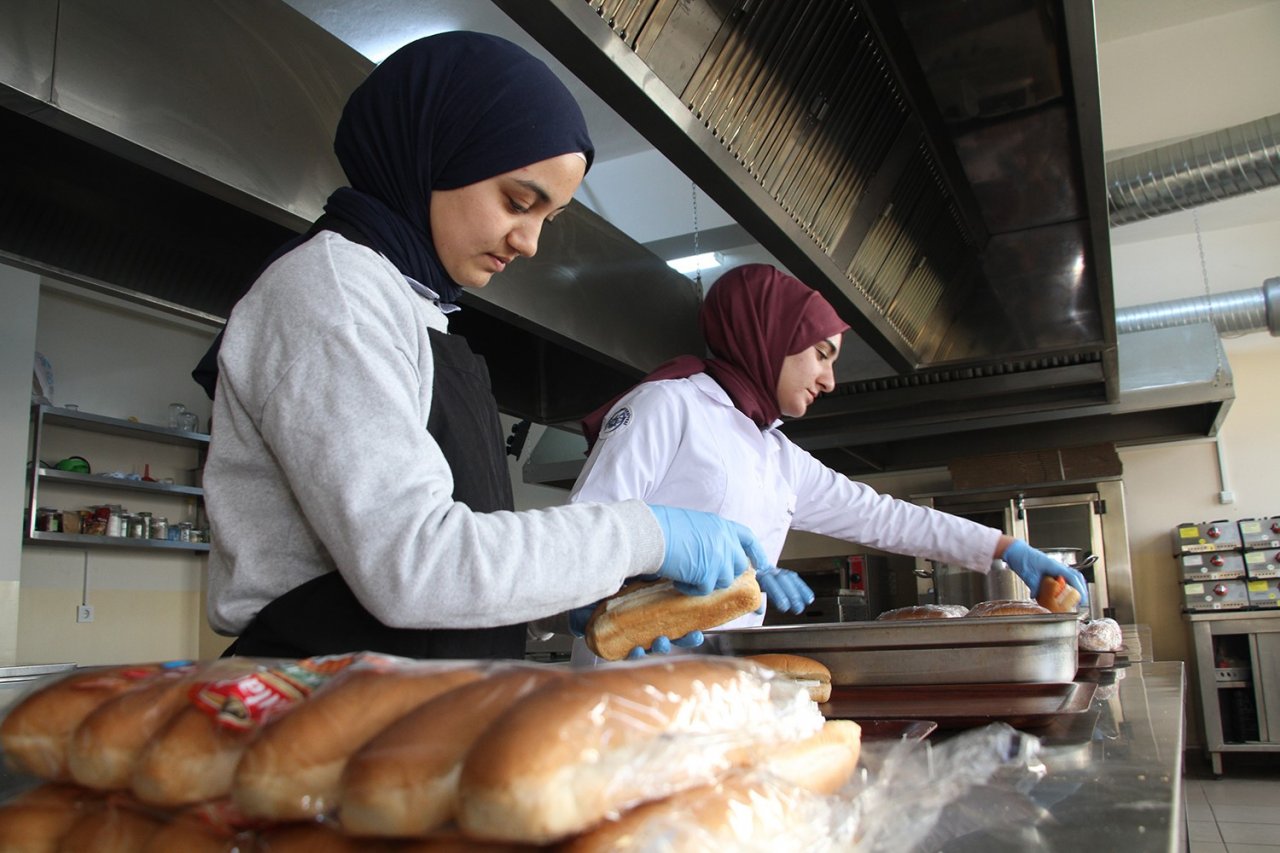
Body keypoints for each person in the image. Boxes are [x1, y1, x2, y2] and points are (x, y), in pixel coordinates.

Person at [197, 32, 777, 661]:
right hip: (317, 698)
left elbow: (448, 565)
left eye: (545, 220)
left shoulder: (416, 306)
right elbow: (414, 566)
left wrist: (571, 598)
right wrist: (645, 533)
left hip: (411, 696)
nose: (528, 242)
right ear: (438, 151)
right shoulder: (332, 291)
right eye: (518, 202)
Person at [568, 263, 1089, 659]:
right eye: (821, 354)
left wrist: (1004, 547)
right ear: (766, 334)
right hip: (628, 673)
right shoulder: (668, 404)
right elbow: (583, 533)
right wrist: (595, 601)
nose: (829, 380)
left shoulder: (776, 452)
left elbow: (883, 516)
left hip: (715, 677)